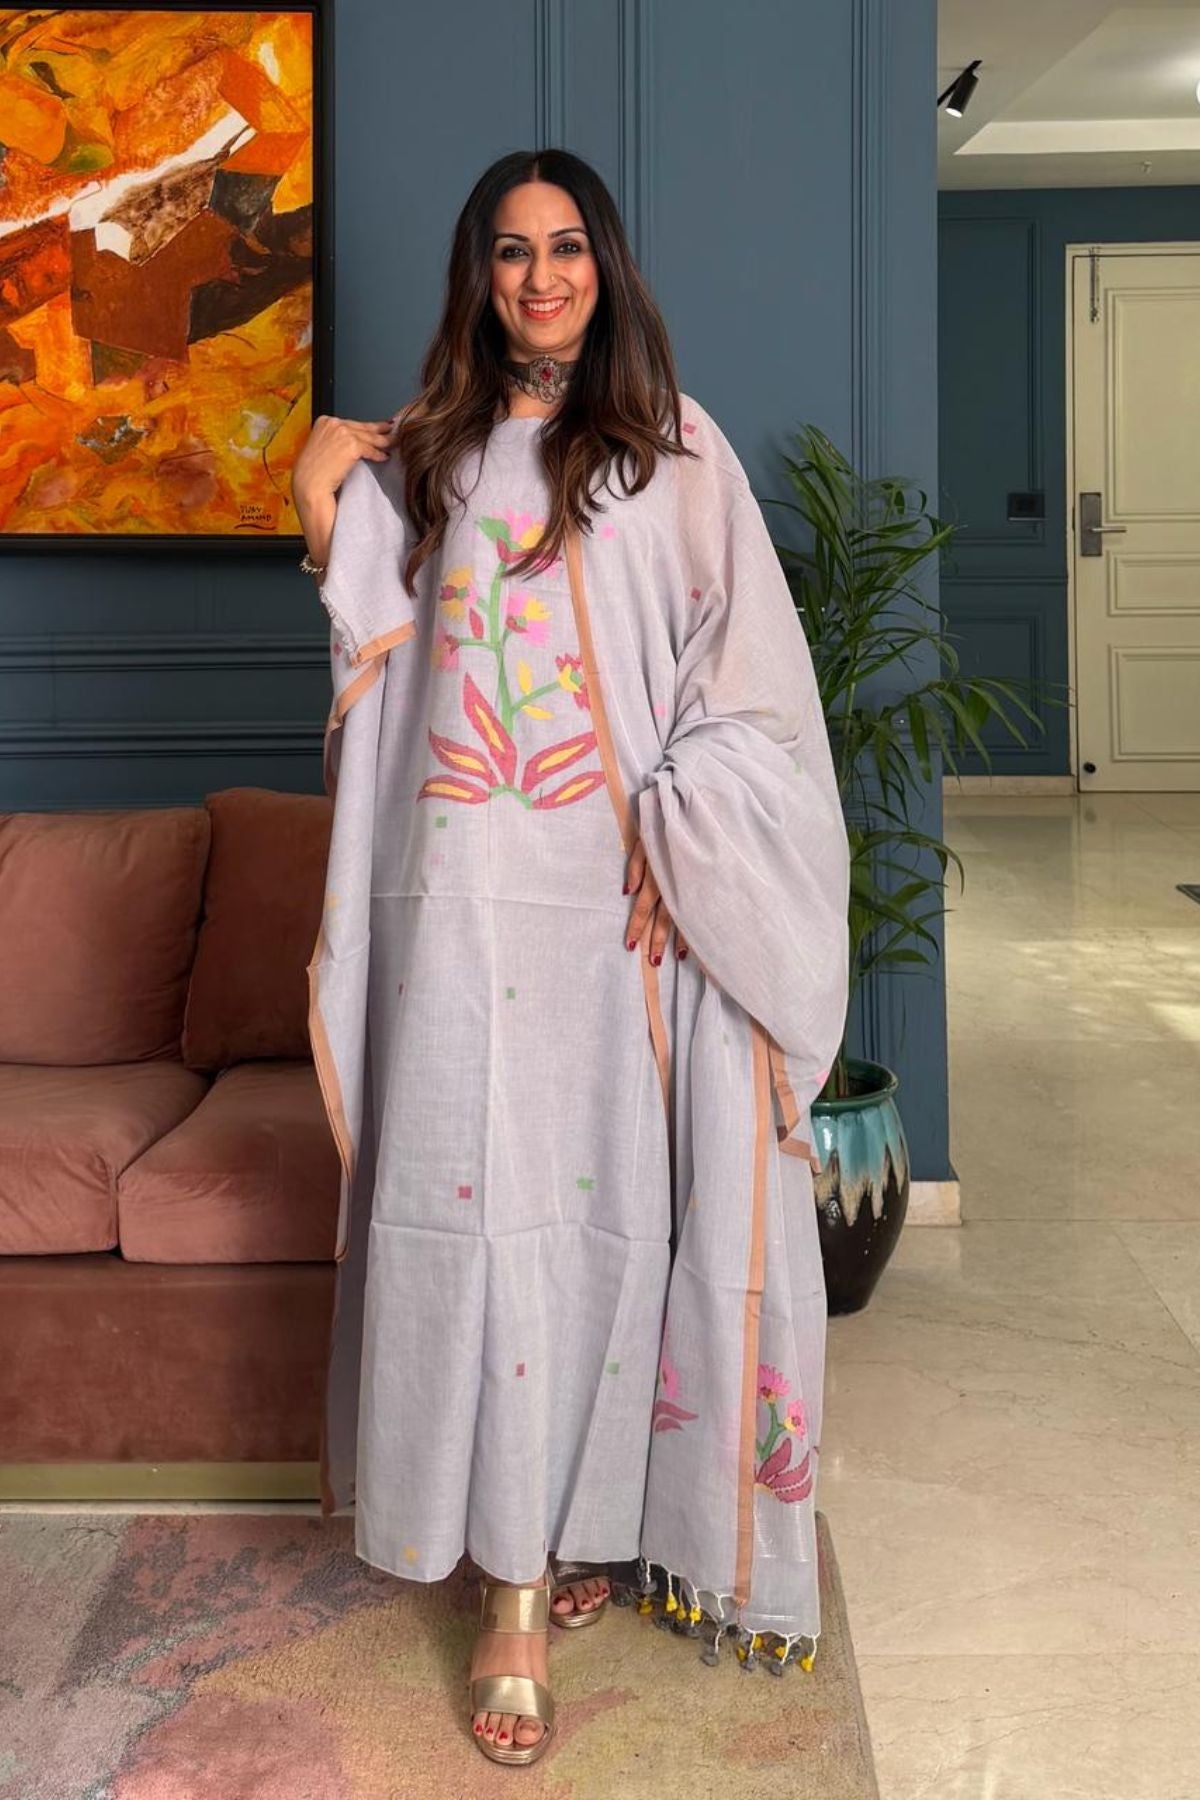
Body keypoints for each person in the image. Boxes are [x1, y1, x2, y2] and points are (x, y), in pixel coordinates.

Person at [291, 147, 850, 1770]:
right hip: (461, 919)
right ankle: (509, 1587)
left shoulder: (676, 457)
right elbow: (385, 664)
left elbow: (752, 693)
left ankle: (570, 1527)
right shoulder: (436, 457)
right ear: (478, 275)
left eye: (565, 248)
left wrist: (682, 843)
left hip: (614, 915)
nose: (540, 279)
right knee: (472, 1219)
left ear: (605, 265)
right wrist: (313, 502)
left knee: (604, 1227)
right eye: (510, 251)